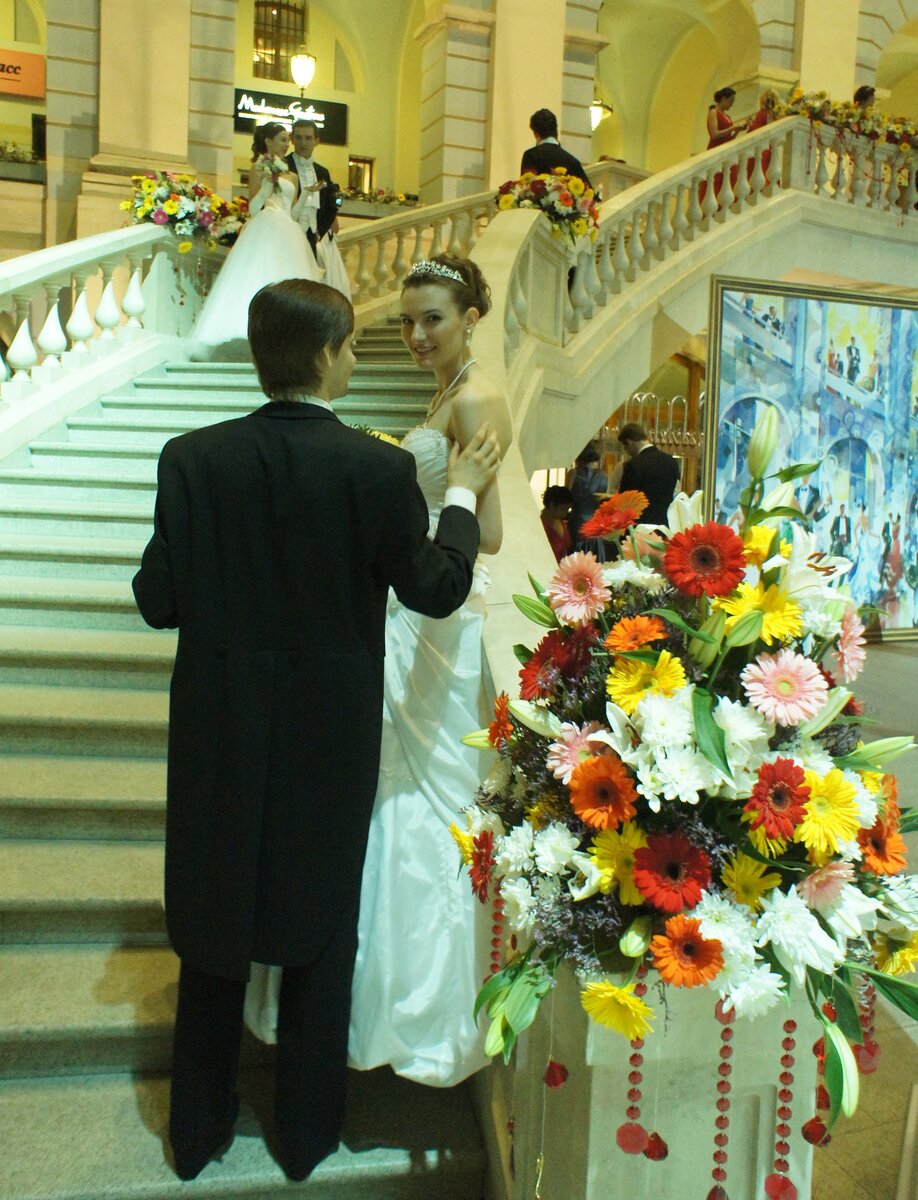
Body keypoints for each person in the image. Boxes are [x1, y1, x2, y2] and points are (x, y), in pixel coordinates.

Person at [132, 277, 501, 1183]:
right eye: (353, 346)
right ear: (330, 354)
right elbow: (437, 588)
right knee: (319, 927)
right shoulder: (373, 471)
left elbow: (158, 600)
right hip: (329, 736)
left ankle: (197, 1130)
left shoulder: (191, 458)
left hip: (218, 727)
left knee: (214, 915)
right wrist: (461, 495)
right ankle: (303, 1133)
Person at [245, 256, 513, 1090]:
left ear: (471, 317)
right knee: (370, 796)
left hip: (435, 612)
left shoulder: (476, 398)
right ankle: (352, 1002)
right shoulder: (443, 393)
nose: (416, 335)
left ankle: (408, 1010)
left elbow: (491, 532)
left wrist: (445, 501)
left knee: (412, 801)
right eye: (405, 321)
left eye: (433, 318)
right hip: (403, 602)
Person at [189, 122, 323, 360]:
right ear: (268, 142)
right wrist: (266, 187)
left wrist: (307, 193)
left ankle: (283, 338)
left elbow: (293, 214)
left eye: (287, 140)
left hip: (288, 231)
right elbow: (253, 208)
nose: (287, 144)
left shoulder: (292, 176)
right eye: (283, 139)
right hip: (266, 225)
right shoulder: (259, 168)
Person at [285, 119, 350, 297]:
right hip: (288, 235)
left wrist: (319, 231)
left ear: (316, 141)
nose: (303, 143)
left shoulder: (323, 172)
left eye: (308, 138)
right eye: (299, 137)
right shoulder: (282, 166)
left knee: (312, 285)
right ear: (292, 139)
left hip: (315, 236)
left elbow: (332, 204)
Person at [618, 422, 680, 527]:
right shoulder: (671, 461)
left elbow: (625, 500)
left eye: (625, 447)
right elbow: (676, 492)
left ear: (629, 442)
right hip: (665, 525)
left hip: (640, 527)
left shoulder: (633, 464)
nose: (627, 452)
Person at [520, 108, 591, 186]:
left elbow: (525, 187)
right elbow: (588, 190)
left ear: (535, 133)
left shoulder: (530, 156)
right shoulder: (573, 162)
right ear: (556, 130)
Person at [567, 445, 609, 556]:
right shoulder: (604, 476)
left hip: (577, 521)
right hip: (596, 523)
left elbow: (566, 498)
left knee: (575, 556)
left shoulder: (573, 474)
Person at [540, 484, 574, 561]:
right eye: (562, 509)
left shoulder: (561, 521)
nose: (565, 514)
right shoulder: (541, 527)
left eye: (567, 510)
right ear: (552, 505)